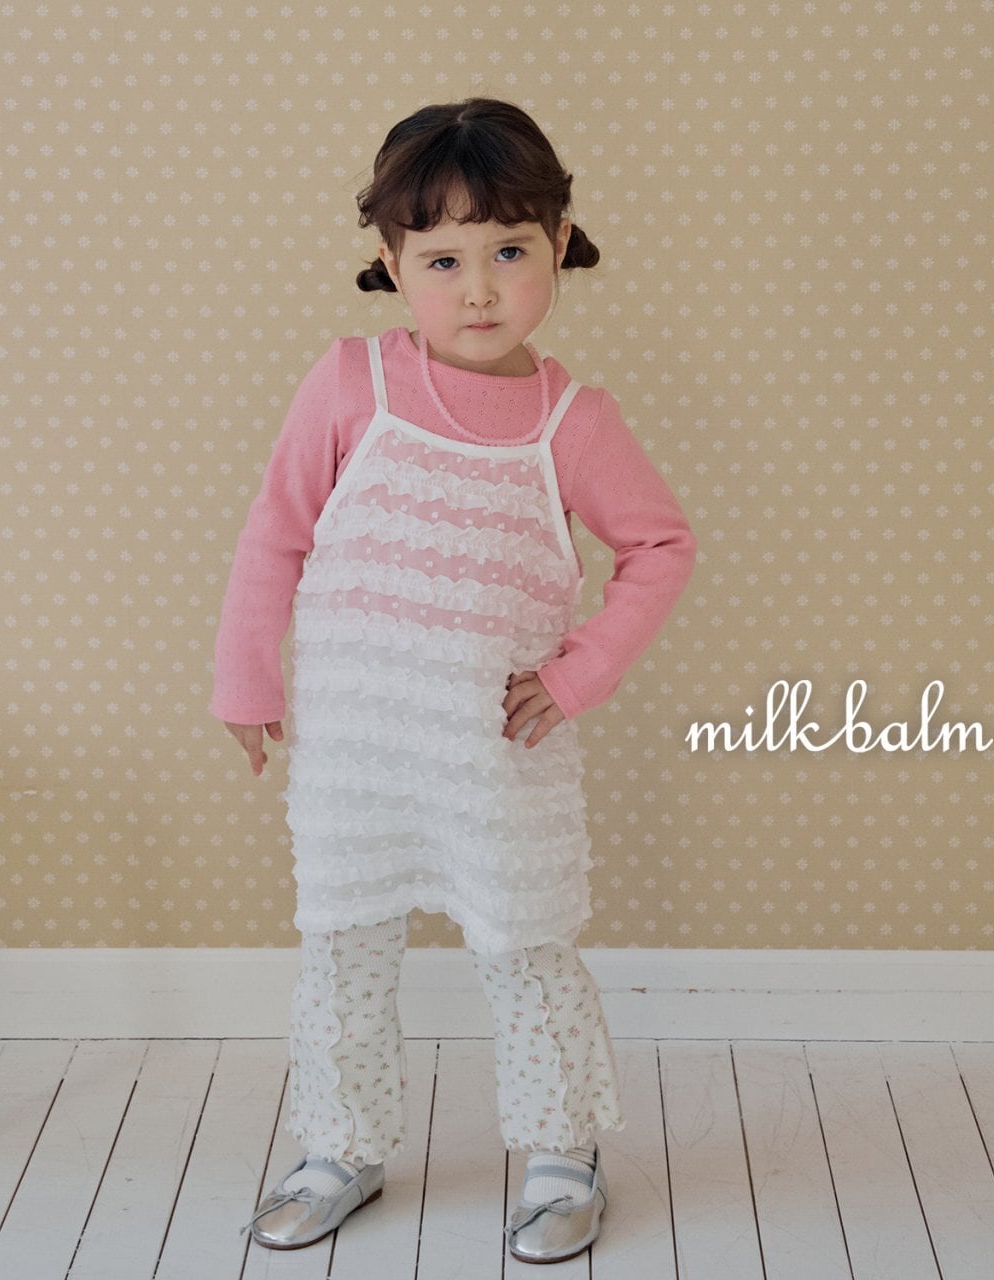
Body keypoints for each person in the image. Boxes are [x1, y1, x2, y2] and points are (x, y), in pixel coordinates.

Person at [212, 97, 697, 1264]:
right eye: (442, 260)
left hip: (495, 756)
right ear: (392, 261)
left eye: (508, 253)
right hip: (356, 750)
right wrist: (244, 675)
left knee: (524, 948)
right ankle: (342, 1142)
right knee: (341, 948)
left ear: (557, 244)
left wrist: (576, 674)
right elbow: (275, 532)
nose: (478, 289)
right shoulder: (349, 384)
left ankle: (561, 1148)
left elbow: (660, 546)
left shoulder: (572, 422)